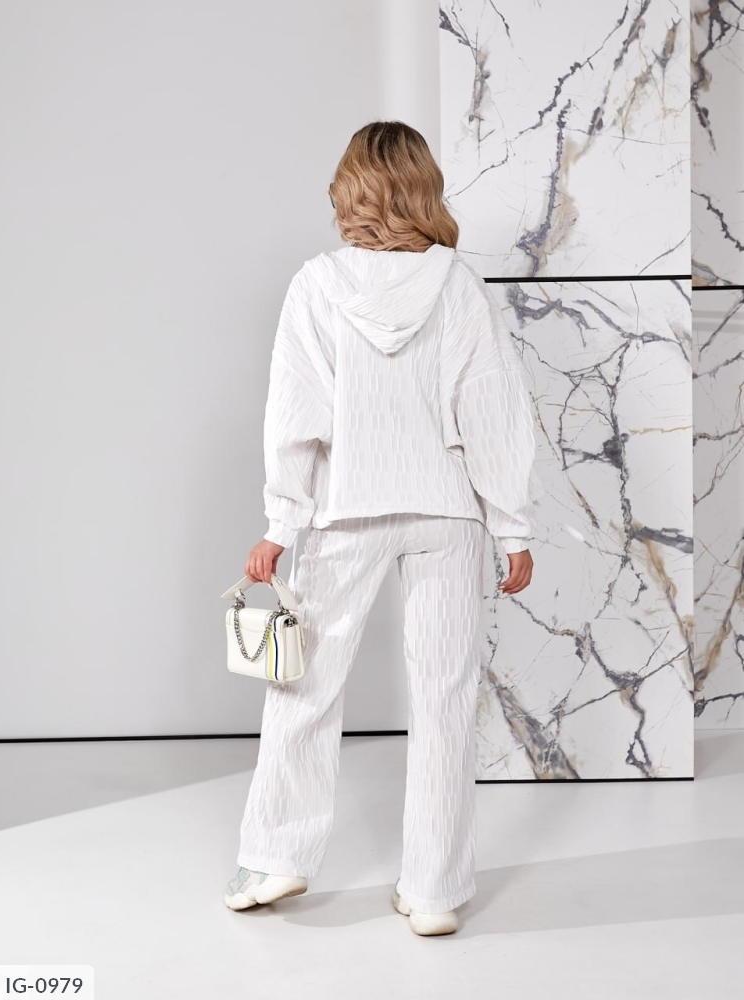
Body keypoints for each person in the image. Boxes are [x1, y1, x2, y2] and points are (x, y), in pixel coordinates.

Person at [224, 120, 538, 936]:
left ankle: (277, 857)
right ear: (424, 189)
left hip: (347, 508)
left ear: (350, 191)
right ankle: (433, 892)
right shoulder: (458, 285)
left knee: (304, 684)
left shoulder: (318, 285)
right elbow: (492, 408)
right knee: (445, 697)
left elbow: (295, 413)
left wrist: (282, 521)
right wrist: (511, 527)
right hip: (447, 510)